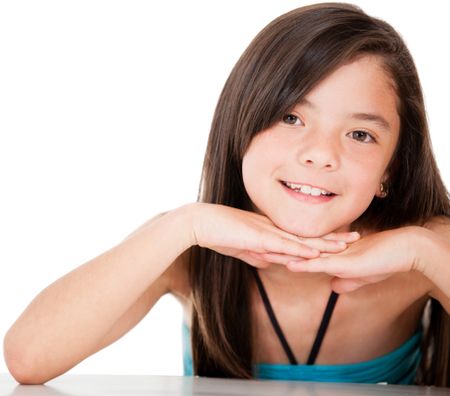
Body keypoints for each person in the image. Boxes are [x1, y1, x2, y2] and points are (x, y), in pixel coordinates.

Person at [4, 2, 450, 387]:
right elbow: (28, 358)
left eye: (359, 133)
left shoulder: (422, 253)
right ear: (241, 127)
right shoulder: (188, 248)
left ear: (389, 170)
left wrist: (424, 251)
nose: (320, 155)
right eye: (291, 118)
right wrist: (183, 224)